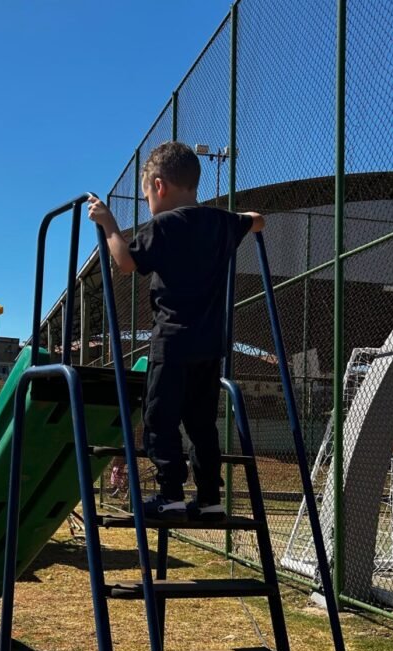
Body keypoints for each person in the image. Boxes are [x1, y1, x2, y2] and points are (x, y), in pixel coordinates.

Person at [87, 141, 264, 521]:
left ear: (159, 186)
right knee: (202, 423)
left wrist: (108, 224)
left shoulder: (163, 226)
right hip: (211, 345)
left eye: (147, 195)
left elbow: (127, 263)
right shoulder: (221, 223)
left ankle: (170, 493)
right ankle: (210, 498)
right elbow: (256, 219)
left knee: (160, 418)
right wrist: (246, 219)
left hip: (171, 342)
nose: (149, 202)